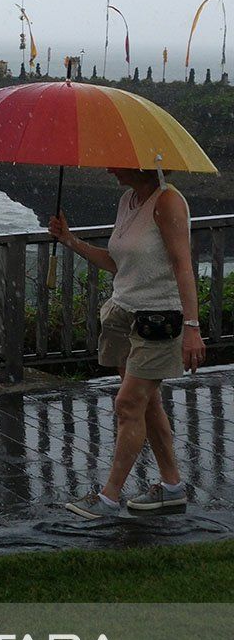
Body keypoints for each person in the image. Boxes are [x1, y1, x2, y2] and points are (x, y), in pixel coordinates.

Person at [50, 167, 205, 519]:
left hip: (158, 320)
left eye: (116, 160)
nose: (107, 167)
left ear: (141, 161)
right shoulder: (128, 200)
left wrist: (192, 327)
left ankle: (108, 498)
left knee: (127, 404)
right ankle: (172, 487)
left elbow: (183, 266)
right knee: (147, 405)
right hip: (124, 315)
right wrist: (70, 240)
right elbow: (117, 263)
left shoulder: (167, 202)